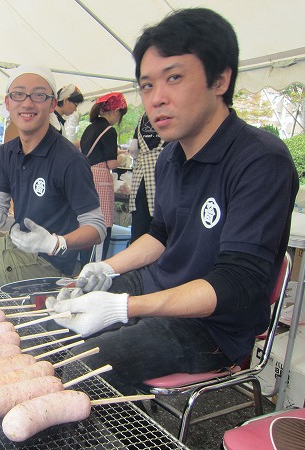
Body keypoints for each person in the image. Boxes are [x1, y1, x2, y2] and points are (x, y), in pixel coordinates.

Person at [46, 8, 299, 396]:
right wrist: (105, 270)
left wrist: (123, 308)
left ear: (220, 79)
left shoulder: (261, 160)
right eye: (147, 85)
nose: (156, 99)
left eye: (175, 78)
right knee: (57, 320)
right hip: (155, 285)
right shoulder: (169, 156)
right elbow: (161, 235)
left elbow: (237, 284)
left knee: (78, 367)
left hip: (212, 325)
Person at [0, 65, 106, 294]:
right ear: (7, 103)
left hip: (49, 261)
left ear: (52, 104)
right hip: (13, 242)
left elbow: (97, 228)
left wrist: (56, 243)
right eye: (18, 94)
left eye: (38, 95)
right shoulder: (5, 153)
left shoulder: (70, 160)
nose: (27, 103)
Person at [79, 93, 127, 262]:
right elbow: (112, 164)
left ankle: (84, 264)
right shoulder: (109, 130)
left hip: (85, 177)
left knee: (88, 223)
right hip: (100, 180)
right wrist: (121, 157)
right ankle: (97, 266)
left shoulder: (90, 128)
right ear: (115, 111)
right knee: (103, 225)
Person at [128, 113, 166, 242]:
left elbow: (133, 148)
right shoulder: (168, 117)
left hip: (141, 176)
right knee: (160, 227)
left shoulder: (142, 119)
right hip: (162, 172)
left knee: (139, 228)